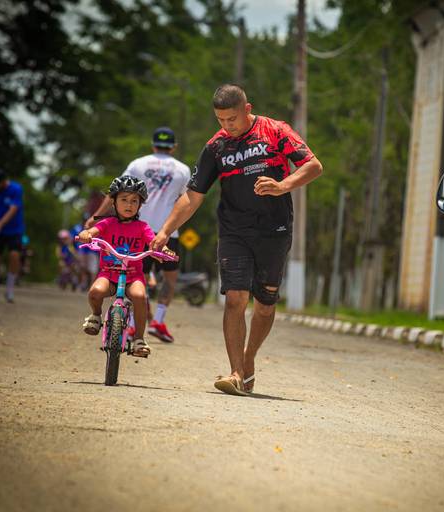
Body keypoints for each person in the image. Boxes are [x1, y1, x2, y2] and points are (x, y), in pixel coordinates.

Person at [151, 84, 323, 396]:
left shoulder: (276, 131)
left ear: (247, 109)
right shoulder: (216, 147)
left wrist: (283, 185)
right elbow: (193, 196)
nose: (227, 126)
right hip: (234, 231)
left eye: (232, 119)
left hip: (274, 230)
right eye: (220, 120)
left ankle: (249, 357)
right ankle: (235, 373)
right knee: (235, 297)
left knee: (265, 305)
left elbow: (313, 166)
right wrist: (164, 231)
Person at [87, 126, 190, 343]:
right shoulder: (183, 170)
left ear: (153, 145)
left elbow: (114, 191)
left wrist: (96, 217)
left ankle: (133, 325)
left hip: (137, 226)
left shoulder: (137, 164)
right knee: (168, 278)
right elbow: (186, 201)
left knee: (136, 274)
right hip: (167, 231)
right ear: (173, 147)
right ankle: (158, 320)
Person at [78, 176, 156, 358]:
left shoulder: (142, 227)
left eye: (134, 201)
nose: (129, 205)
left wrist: (162, 249)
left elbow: (153, 242)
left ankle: (139, 339)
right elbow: (93, 231)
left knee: (140, 297)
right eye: (124, 200)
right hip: (108, 274)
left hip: (133, 276)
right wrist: (86, 233)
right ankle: (96, 315)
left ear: (140, 205)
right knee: (95, 292)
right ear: (113, 202)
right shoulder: (108, 223)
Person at [0, 170, 25, 303]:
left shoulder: (16, 189)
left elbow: (13, 209)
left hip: (14, 229)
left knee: (14, 255)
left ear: (4, 181)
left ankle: (9, 290)